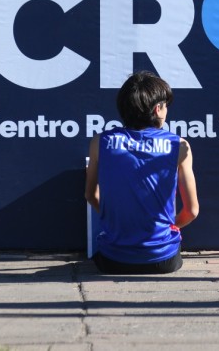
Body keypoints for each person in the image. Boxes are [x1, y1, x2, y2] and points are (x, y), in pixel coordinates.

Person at [85, 70, 199, 274]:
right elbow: (191, 211)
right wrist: (170, 228)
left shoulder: (99, 142)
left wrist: (114, 220)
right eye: (166, 106)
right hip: (163, 260)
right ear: (157, 109)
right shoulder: (180, 145)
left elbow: (90, 195)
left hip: (112, 259)